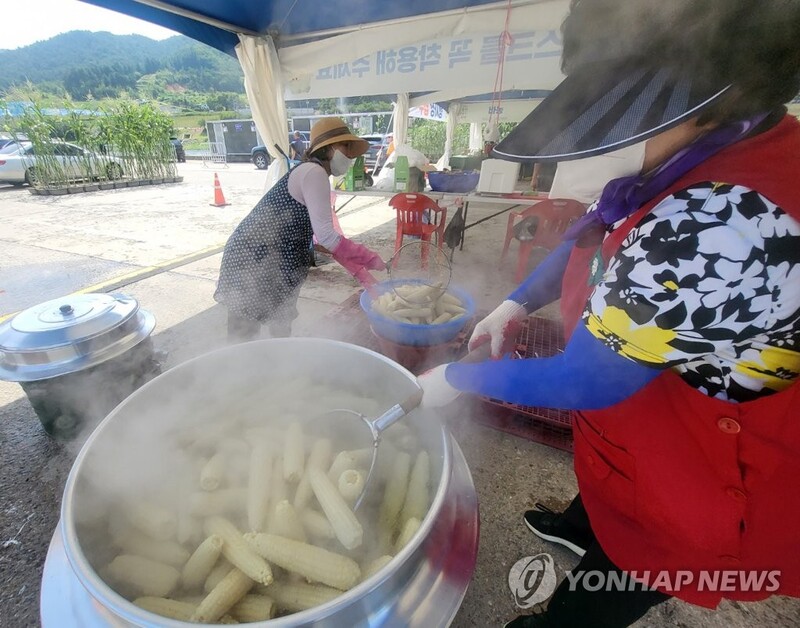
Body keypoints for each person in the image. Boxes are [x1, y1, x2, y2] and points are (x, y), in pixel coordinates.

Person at [418, 1, 800, 626]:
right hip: (641, 422)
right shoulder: (694, 153)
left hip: (703, 462)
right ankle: (584, 524)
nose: (600, 143)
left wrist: (456, 377)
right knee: (610, 504)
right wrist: (518, 300)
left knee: (624, 576)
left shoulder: (723, 223)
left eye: (627, 113)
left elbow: (584, 380)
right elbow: (592, 232)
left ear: (706, 105)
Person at [214, 118, 385, 341]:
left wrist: (362, 272)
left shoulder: (312, 172)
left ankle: (281, 360)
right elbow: (328, 237)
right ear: (329, 148)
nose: (350, 156)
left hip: (279, 262)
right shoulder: (314, 172)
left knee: (280, 326)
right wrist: (369, 258)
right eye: (346, 146)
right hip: (253, 259)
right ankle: (245, 363)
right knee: (243, 336)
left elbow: (324, 241)